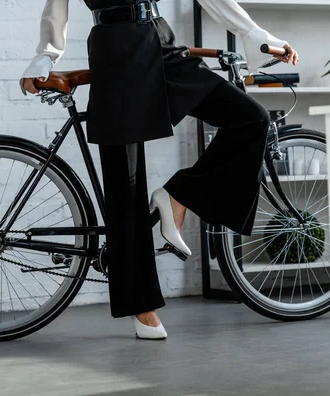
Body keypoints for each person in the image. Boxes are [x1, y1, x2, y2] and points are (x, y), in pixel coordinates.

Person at [20, 0, 298, 340]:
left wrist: (253, 33)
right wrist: (47, 54)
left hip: (159, 40)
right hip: (115, 49)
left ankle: (178, 196)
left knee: (251, 119)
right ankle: (141, 304)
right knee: (126, 184)